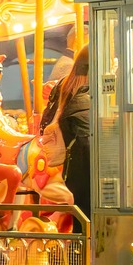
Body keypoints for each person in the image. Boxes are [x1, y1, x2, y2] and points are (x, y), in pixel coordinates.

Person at [37, 44, 93, 223]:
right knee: (85, 214)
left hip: (71, 164)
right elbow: (86, 139)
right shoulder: (84, 96)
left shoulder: (68, 85)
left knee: (80, 214)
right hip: (83, 164)